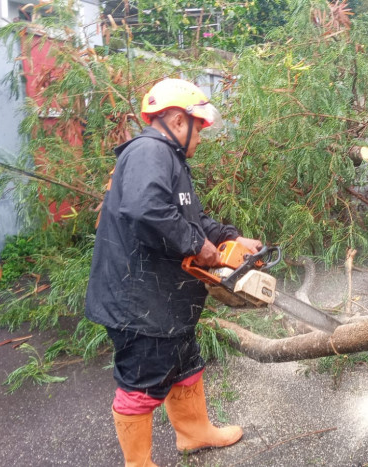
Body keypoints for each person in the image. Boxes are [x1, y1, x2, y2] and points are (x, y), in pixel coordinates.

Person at [85, 78, 261, 466]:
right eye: (199, 128)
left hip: (163, 301)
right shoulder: (151, 151)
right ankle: (138, 463)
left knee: (184, 363)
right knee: (141, 383)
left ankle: (194, 434)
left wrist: (231, 238)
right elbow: (146, 210)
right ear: (179, 121)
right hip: (139, 305)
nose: (201, 137)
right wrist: (200, 248)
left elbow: (187, 217)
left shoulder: (168, 158)